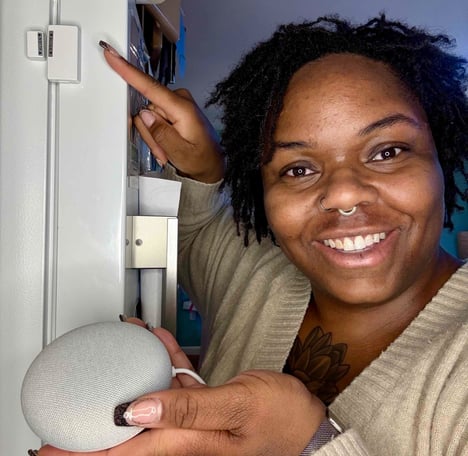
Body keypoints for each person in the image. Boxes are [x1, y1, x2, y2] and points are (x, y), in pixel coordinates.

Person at [36, 14, 468, 456]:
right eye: (298, 169)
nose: (342, 194)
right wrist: (206, 167)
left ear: (443, 162)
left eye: (387, 152)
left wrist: (310, 444)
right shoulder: (257, 275)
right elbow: (194, 229)